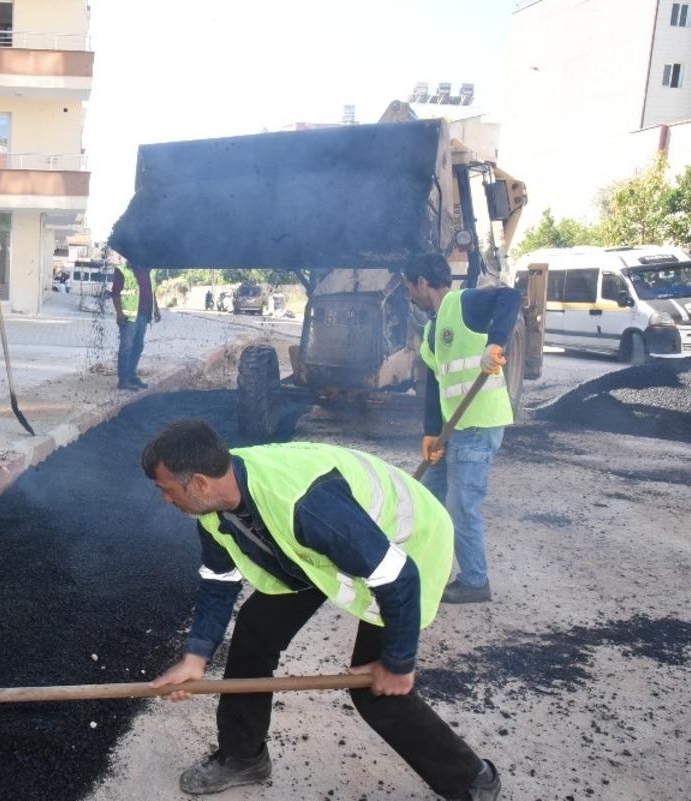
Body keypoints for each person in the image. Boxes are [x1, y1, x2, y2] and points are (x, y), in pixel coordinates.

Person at [142, 420, 501, 801]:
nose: (165, 499)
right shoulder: (215, 503)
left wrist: (398, 662)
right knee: (253, 632)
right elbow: (219, 580)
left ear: (198, 483)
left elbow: (399, 576)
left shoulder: (306, 505)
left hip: (406, 545)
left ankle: (472, 781)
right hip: (313, 549)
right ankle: (243, 757)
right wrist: (196, 657)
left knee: (376, 691)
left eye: (166, 489)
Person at [403, 255, 521, 604]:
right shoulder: (431, 329)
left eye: (409, 286)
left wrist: (494, 344)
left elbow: (509, 297)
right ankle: (421, 565)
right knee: (427, 497)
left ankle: (474, 581)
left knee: (461, 505)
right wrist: (431, 432)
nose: (409, 294)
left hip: (478, 423)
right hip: (452, 430)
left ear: (422, 282)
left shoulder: (463, 303)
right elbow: (435, 385)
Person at [110, 260, 160, 390]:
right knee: (126, 347)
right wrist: (119, 313)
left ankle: (132, 375)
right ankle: (123, 380)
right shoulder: (123, 270)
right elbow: (115, 294)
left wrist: (157, 309)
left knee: (138, 346)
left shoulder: (149, 269)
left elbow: (152, 291)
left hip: (144, 315)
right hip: (128, 317)